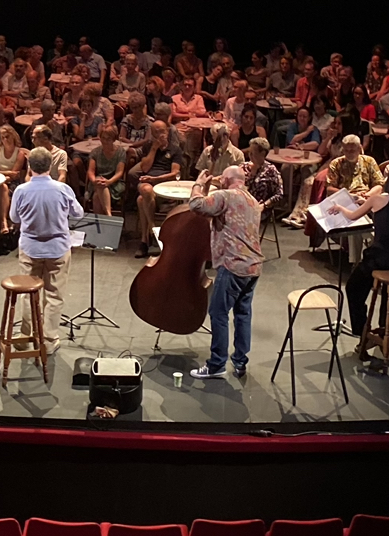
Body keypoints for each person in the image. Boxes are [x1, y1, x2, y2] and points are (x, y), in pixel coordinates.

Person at [332, 165, 389, 346]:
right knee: (388, 295)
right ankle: (384, 328)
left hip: (378, 256)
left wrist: (340, 207)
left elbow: (352, 216)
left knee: (353, 288)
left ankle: (363, 330)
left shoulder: (377, 200)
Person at [188, 165, 262, 379]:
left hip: (233, 265)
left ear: (228, 179)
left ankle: (216, 364)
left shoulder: (225, 195)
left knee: (218, 313)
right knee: (242, 314)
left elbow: (196, 205)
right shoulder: (253, 201)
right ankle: (239, 363)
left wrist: (199, 184)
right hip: (253, 266)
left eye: (222, 178)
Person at [9, 147, 84, 357]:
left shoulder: (21, 191)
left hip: (30, 249)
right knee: (54, 295)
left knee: (26, 294)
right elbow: (78, 213)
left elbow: (14, 218)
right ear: (50, 166)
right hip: (57, 249)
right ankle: (49, 340)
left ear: (29, 166)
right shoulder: (62, 189)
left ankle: (26, 337)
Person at [133, 120, 184, 257]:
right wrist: (154, 149)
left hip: (164, 185)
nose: (160, 135)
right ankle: (153, 229)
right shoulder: (148, 146)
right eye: (156, 132)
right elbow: (145, 168)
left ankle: (145, 240)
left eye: (162, 131)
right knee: (146, 191)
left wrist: (154, 180)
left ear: (167, 132)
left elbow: (175, 174)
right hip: (147, 183)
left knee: (140, 200)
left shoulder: (175, 149)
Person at [0, 123, 28, 232]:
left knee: (4, 188)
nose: (6, 139)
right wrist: (8, 173)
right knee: (3, 187)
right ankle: (4, 222)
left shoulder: (20, 153)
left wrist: (7, 175)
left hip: (12, 182)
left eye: (8, 136)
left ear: (13, 136)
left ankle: (2, 222)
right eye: (3, 138)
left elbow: (15, 173)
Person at [86, 124, 126, 215]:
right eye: (103, 138)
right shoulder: (95, 152)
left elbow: (120, 172)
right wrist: (94, 181)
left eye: (108, 139)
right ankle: (109, 215)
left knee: (97, 196)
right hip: (98, 182)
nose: (105, 141)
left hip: (114, 182)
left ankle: (101, 224)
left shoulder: (120, 152)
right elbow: (91, 171)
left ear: (114, 139)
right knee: (99, 182)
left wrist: (109, 181)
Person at [242, 136, 285, 212]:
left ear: (262, 153)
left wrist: (264, 205)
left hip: (259, 208)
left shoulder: (271, 170)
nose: (250, 155)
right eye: (249, 153)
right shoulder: (244, 167)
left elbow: (279, 194)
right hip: (241, 205)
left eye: (253, 153)